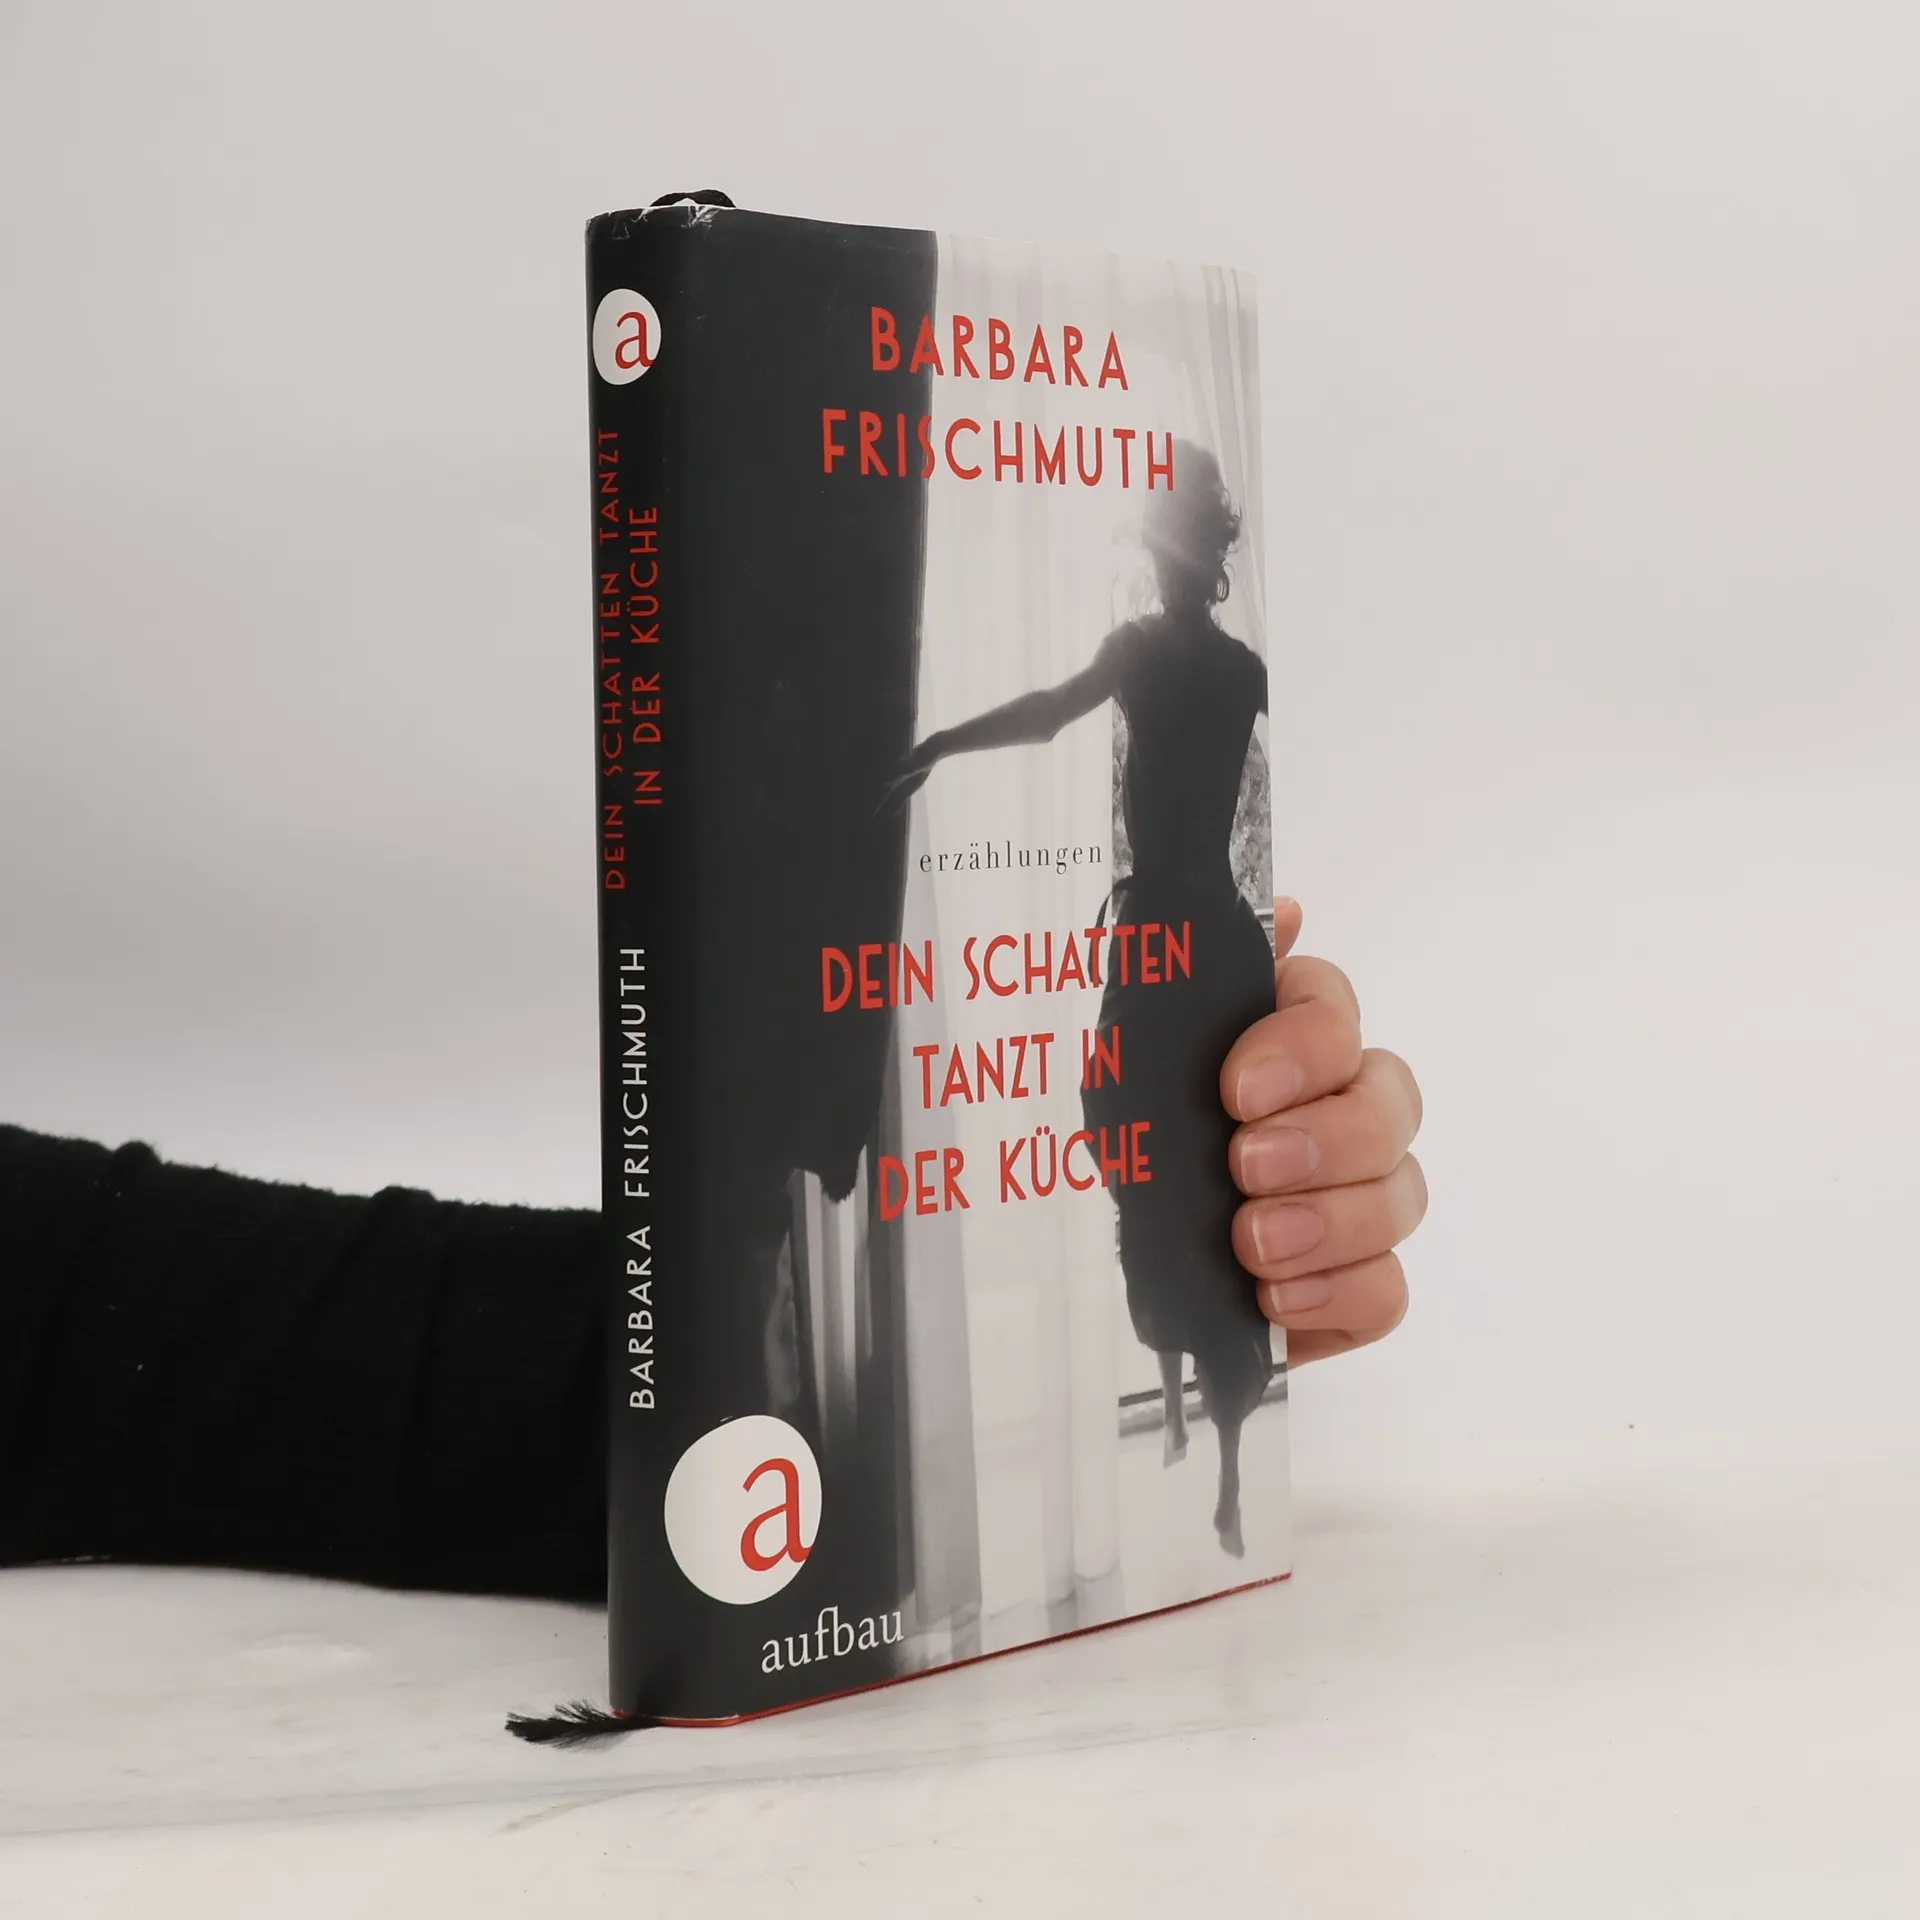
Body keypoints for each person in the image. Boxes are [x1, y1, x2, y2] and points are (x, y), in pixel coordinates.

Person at [888, 444, 1423, 1556]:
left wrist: (939, 741)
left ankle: (1205, 1433)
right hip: (1210, 935)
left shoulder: (1146, 652)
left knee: (1152, 1163)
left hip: (1164, 940)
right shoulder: (1239, 670)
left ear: (1163, 546)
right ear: (1214, 550)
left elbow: (1046, 713)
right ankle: (1217, 1446)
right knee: (1194, 1171)